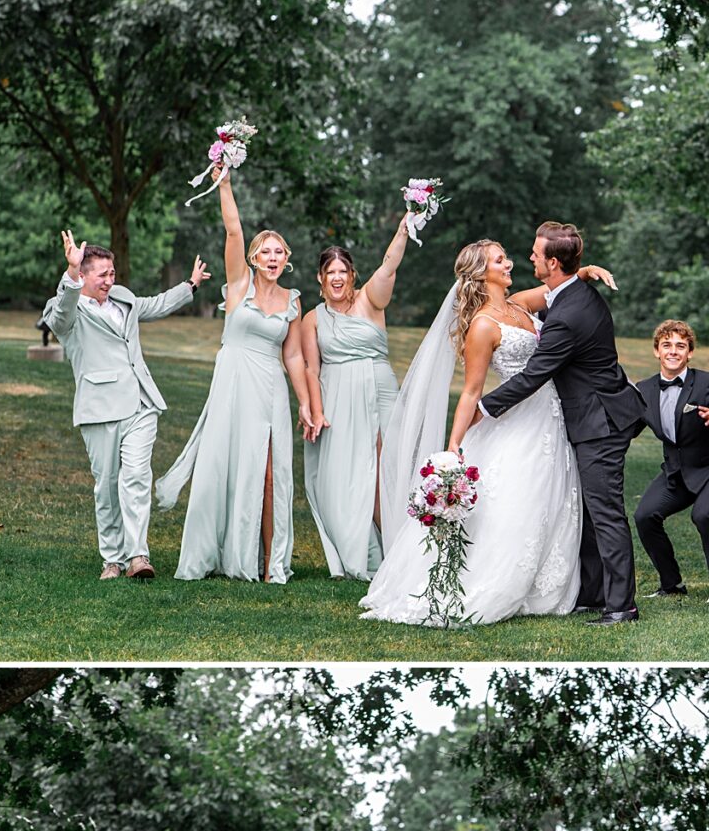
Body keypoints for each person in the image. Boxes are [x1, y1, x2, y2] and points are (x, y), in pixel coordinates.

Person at [360, 237, 615, 627]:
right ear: (482, 273)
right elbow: (472, 391)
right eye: (500, 260)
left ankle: (547, 586)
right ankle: (495, 581)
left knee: (550, 498)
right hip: (515, 421)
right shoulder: (482, 325)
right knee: (515, 500)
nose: (510, 263)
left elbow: (556, 287)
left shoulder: (519, 305)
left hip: (550, 416)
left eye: (507, 257)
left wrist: (582, 271)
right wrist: (453, 446)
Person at [476, 221, 645, 625]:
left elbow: (533, 376)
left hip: (601, 421)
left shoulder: (568, 314)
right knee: (588, 509)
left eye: (536, 253)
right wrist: (584, 271)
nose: (529, 257)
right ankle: (592, 593)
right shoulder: (569, 294)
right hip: (596, 413)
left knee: (604, 511)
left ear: (553, 262)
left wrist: (483, 409)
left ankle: (622, 606)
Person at [155, 168, 313, 582]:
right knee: (222, 464)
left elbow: (294, 356)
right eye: (266, 252)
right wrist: (224, 183)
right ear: (254, 259)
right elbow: (232, 232)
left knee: (269, 472)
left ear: (287, 259)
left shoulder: (293, 301)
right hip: (233, 379)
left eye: (279, 252)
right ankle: (215, 550)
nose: (273, 258)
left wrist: (307, 404)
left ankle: (266, 561)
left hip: (270, 387)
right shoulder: (238, 285)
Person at [43, 229, 209, 581]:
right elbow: (58, 319)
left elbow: (154, 304)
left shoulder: (123, 298)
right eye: (101, 275)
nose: (109, 280)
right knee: (107, 484)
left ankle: (138, 556)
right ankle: (112, 559)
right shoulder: (66, 309)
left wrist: (190, 285)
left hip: (140, 402)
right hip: (98, 408)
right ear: (83, 274)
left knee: (135, 476)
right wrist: (70, 274)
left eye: (112, 273)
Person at [301, 218, 412, 580]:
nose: (337, 277)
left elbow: (390, 264)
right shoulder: (312, 319)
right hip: (337, 396)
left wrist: (404, 227)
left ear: (352, 276)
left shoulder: (371, 301)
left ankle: (402, 548)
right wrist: (315, 411)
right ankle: (370, 550)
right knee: (346, 475)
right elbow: (311, 370)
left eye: (343, 271)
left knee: (386, 468)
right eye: (330, 271)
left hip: (379, 387)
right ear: (320, 279)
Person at [633, 318, 709, 602]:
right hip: (676, 473)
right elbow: (625, 429)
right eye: (667, 345)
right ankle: (671, 584)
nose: (673, 351)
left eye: (681, 346)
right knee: (645, 516)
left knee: (704, 515)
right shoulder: (644, 389)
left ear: (690, 353)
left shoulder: (706, 382)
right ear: (657, 351)